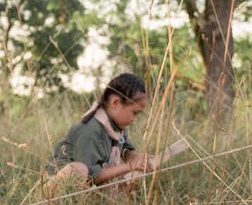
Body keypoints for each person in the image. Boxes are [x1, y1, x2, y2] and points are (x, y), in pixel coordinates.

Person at [48, 72, 187, 191]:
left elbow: (126, 151)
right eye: (134, 113)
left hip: (91, 187)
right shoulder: (90, 130)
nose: (135, 119)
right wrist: (128, 166)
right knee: (79, 169)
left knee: (134, 173)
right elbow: (92, 176)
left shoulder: (117, 127)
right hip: (62, 190)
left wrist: (137, 159)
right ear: (115, 103)